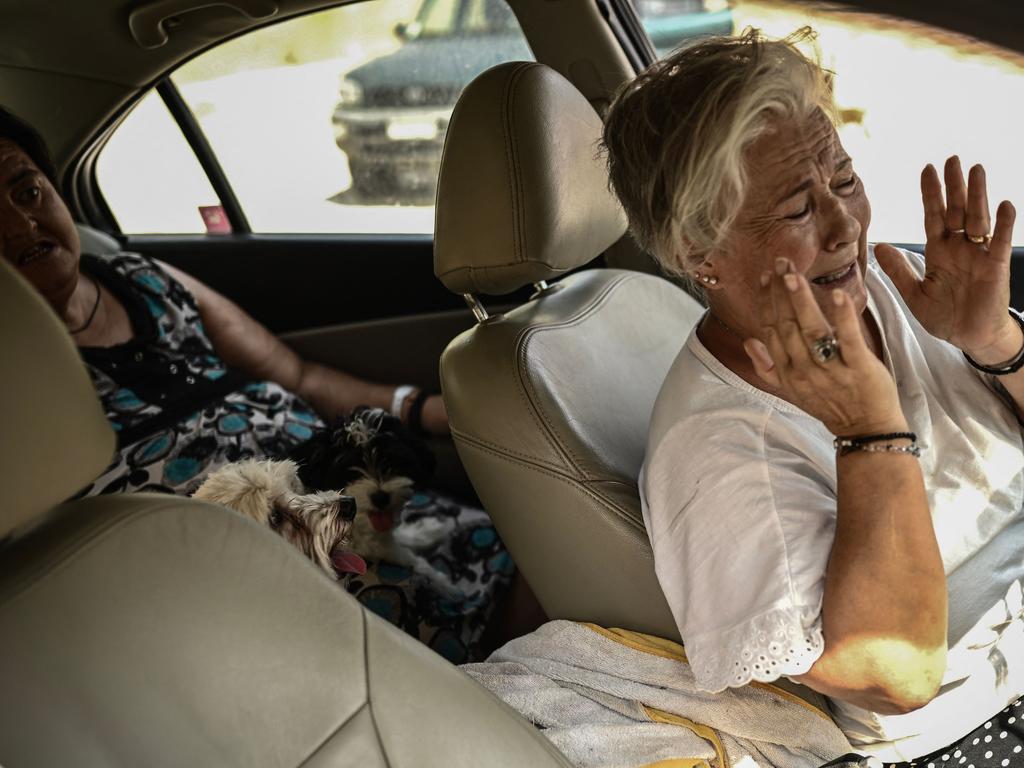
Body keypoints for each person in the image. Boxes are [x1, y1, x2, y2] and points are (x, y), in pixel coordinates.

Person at [601, 28, 1024, 766]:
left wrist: (996, 344)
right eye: (799, 209)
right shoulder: (712, 452)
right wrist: (870, 432)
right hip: (980, 724)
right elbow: (896, 677)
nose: (847, 226)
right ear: (704, 254)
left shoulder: (896, 289)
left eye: (847, 181)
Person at [0, 105, 528, 663]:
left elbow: (297, 375)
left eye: (26, 191)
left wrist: (426, 409)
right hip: (249, 569)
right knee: (423, 615)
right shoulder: (17, 371)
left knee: (528, 548)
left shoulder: (142, 277)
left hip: (347, 501)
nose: (17, 223)